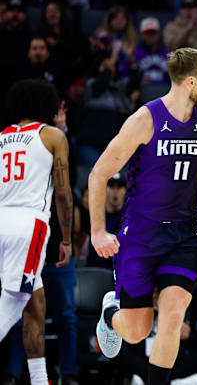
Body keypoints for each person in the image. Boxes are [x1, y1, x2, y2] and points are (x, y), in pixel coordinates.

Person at [89, 47, 197, 385]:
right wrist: (98, 232)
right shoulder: (146, 119)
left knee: (173, 316)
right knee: (136, 332)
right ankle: (111, 312)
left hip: (185, 235)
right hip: (141, 233)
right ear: (190, 81)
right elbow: (98, 174)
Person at [0, 79, 73, 385]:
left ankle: (40, 380)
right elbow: (63, 193)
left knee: (35, 304)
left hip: (2, 220)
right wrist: (67, 239)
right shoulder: (53, 136)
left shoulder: (2, 138)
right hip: (29, 226)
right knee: (15, 302)